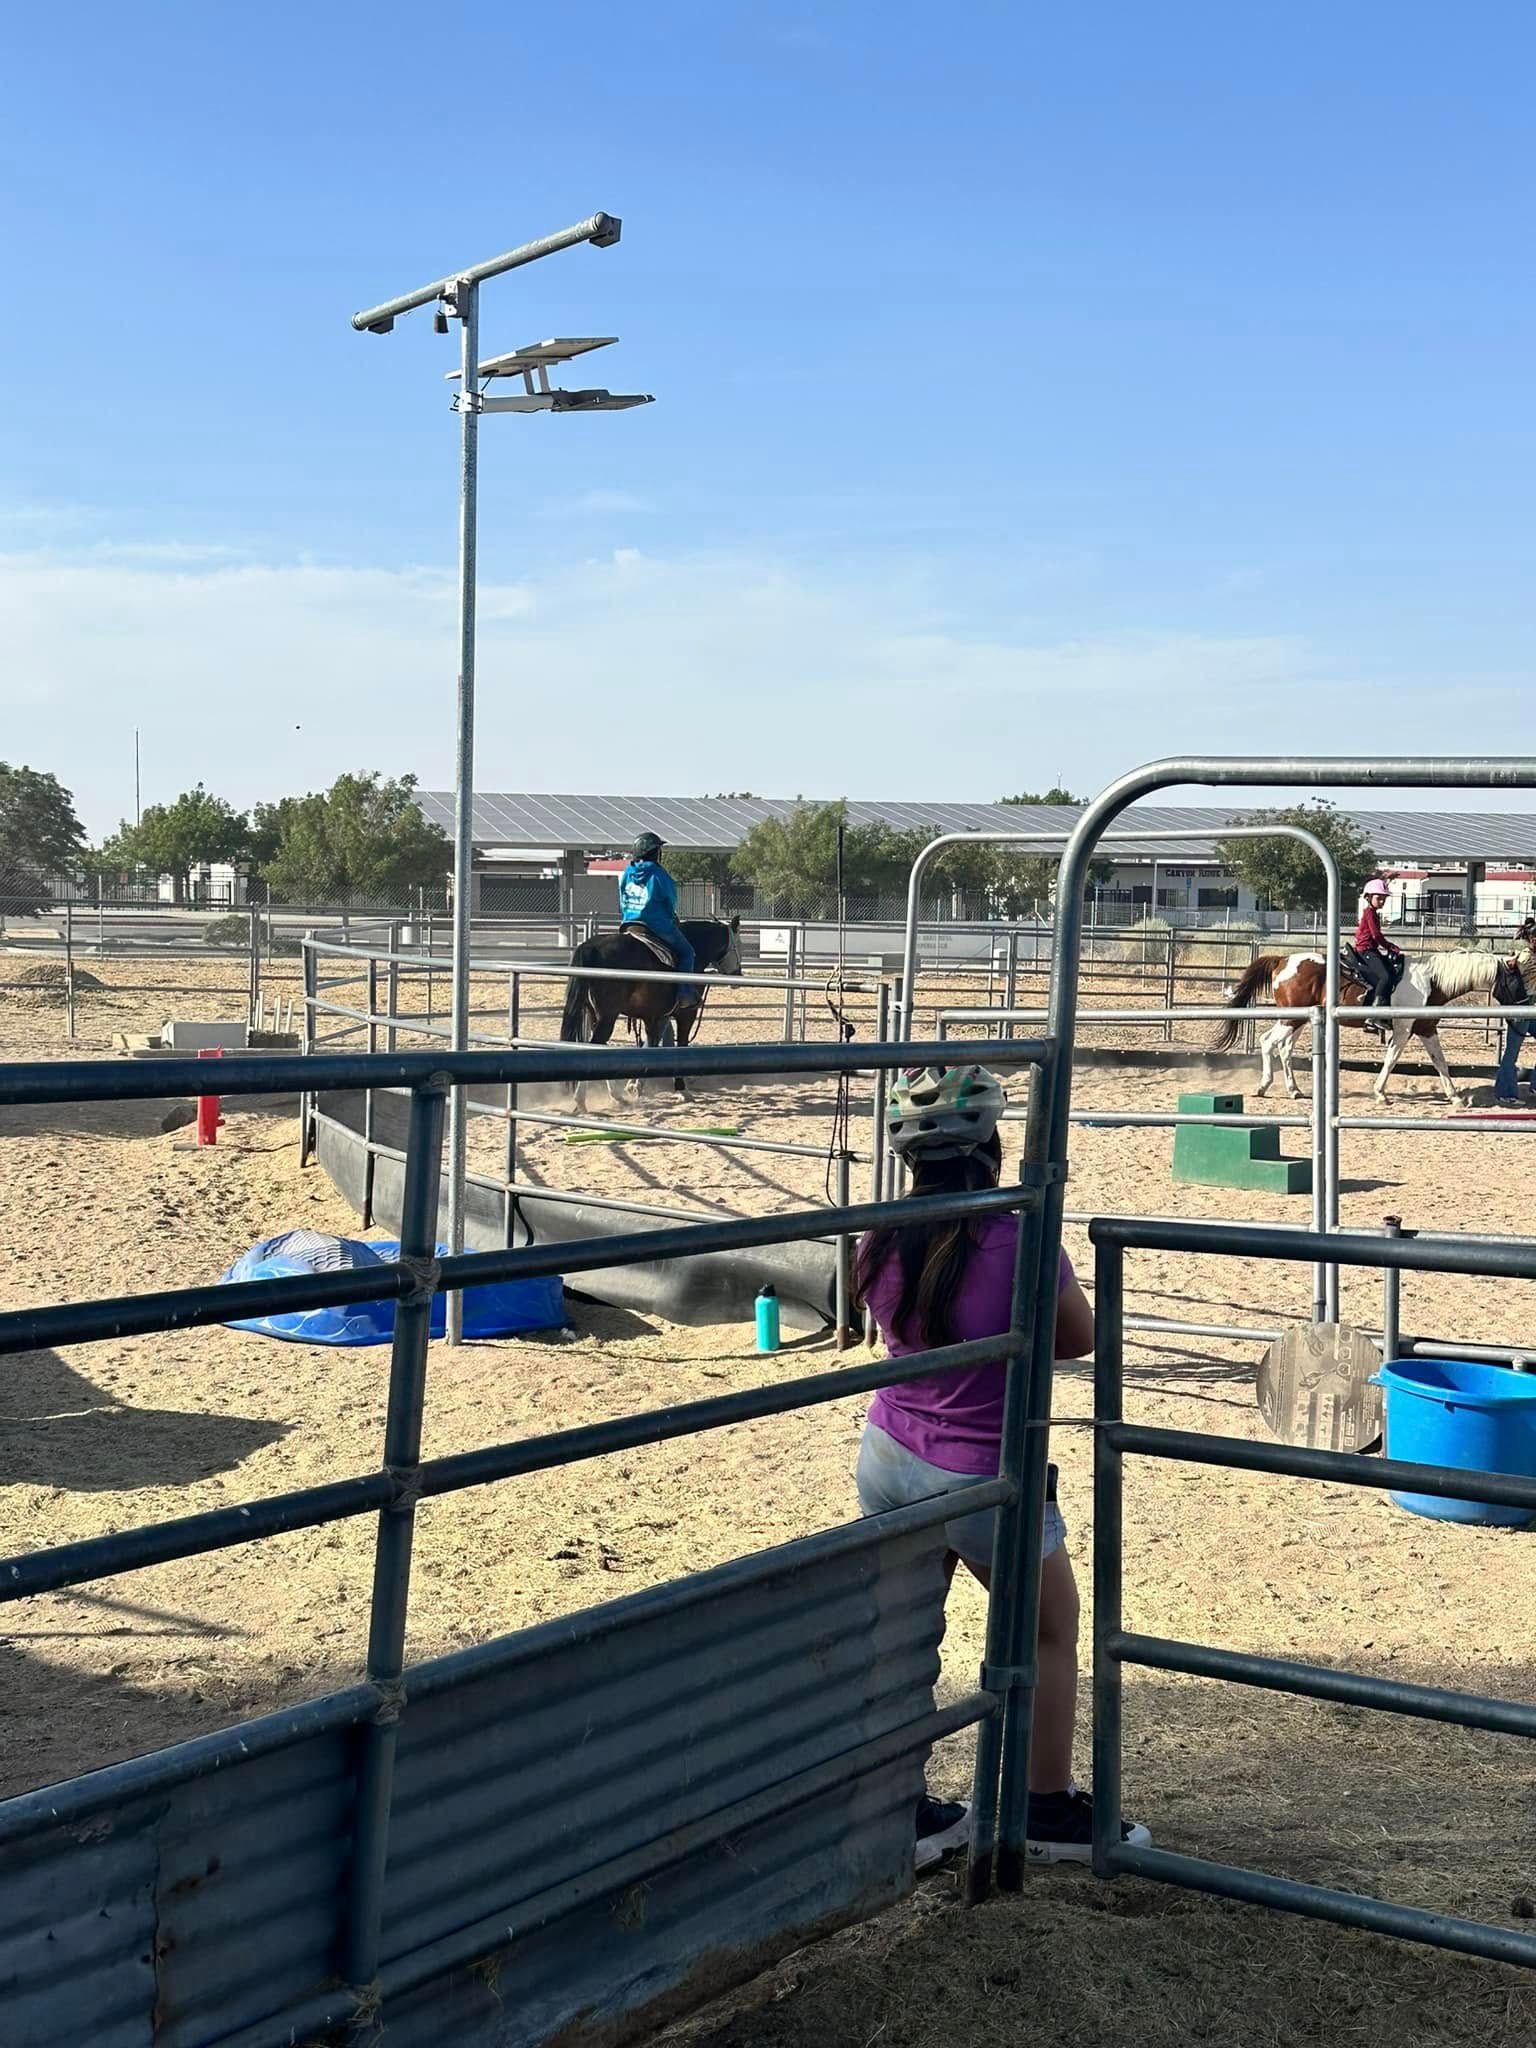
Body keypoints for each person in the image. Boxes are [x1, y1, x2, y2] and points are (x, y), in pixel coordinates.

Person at [853, 1062, 1150, 1871]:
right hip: (981, 1472)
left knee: (901, 1633)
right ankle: (1043, 1806)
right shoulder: (1022, 1234)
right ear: (992, 1143)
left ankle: (899, 1809)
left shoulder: (880, 1233)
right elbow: (1079, 1338)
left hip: (887, 1454)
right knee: (1050, 1630)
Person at [617, 831, 695, 988]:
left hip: (629, 924)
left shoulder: (627, 872)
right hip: (656, 926)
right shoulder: (659, 874)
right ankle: (684, 993)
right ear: (654, 852)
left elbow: (622, 898)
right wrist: (671, 917)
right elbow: (670, 900)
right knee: (687, 953)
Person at [1493, 915, 1536, 1104]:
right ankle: (1505, 1092)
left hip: (1530, 1007)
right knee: (1511, 1052)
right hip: (1522, 1007)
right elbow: (1512, 968)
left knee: (1511, 1051)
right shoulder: (1527, 957)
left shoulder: (1528, 955)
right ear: (1533, 940)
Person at [1353, 877, 1403, 1034]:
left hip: (1370, 949)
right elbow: (1376, 935)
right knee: (1385, 977)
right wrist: (1389, 946)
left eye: (1384, 898)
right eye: (1378, 897)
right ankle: (1374, 1016)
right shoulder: (1369, 913)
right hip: (1366, 950)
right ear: (1368, 897)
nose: (1382, 901)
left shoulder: (1372, 913)